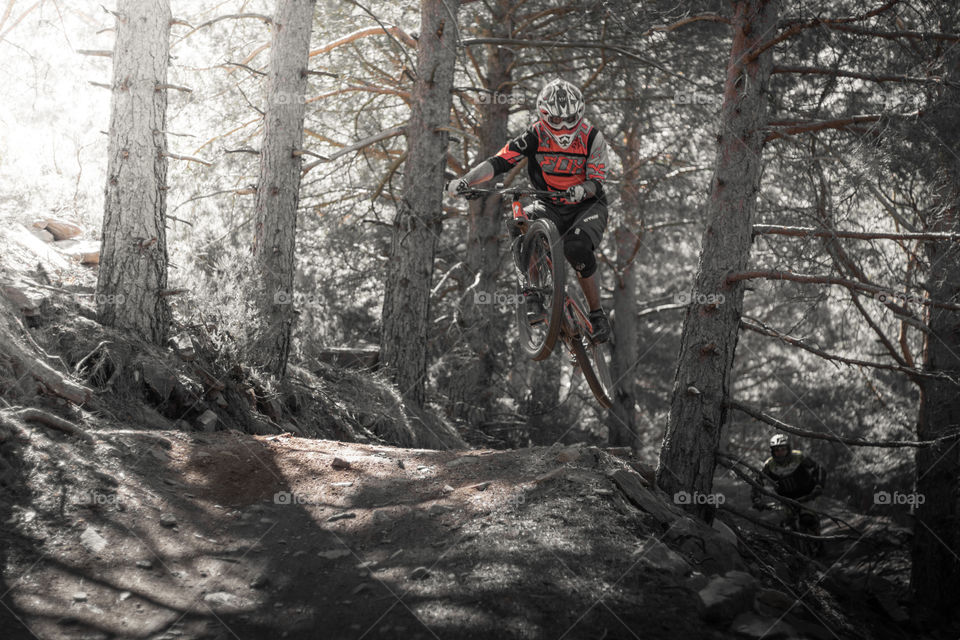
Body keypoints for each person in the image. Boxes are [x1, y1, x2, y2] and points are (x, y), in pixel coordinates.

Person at [446, 78, 611, 342]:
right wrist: (466, 180)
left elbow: (597, 179)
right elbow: (499, 161)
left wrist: (583, 189)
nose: (564, 126)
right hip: (550, 203)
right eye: (556, 121)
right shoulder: (534, 135)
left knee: (577, 248)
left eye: (570, 119)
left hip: (587, 206)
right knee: (518, 223)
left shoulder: (592, 137)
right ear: (544, 116)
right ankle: (532, 291)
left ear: (580, 113)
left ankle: (597, 314)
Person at [751, 434, 826, 536]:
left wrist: (819, 486)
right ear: (772, 452)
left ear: (788, 449)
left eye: (783, 449)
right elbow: (757, 482)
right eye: (777, 450)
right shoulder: (769, 465)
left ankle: (818, 544)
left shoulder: (798, 456)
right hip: (786, 500)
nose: (780, 453)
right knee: (786, 527)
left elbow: (818, 468)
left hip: (807, 496)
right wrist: (757, 499)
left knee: (808, 520)